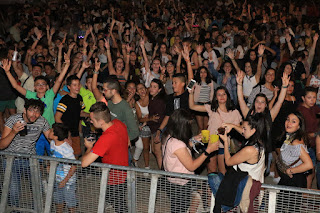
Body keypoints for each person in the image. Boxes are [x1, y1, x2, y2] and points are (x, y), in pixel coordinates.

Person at [161, 109, 219, 213]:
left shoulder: (169, 136)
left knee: (179, 207)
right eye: (189, 124)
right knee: (180, 209)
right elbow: (192, 166)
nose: (190, 126)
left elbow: (182, 148)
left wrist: (194, 140)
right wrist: (208, 151)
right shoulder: (178, 144)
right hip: (179, 184)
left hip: (173, 181)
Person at [210, 113, 268, 212]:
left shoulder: (250, 149)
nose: (242, 130)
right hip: (250, 182)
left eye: (244, 128)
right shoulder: (259, 140)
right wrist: (232, 126)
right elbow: (243, 131)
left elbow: (228, 162)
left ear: (253, 130)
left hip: (247, 187)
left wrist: (225, 142)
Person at [0, 99, 50, 207]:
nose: (34, 114)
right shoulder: (13, 120)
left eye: (38, 111)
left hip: (31, 159)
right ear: (24, 110)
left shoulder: (42, 121)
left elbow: (51, 138)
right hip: (11, 160)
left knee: (38, 189)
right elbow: (2, 145)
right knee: (13, 192)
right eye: (31, 110)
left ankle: (35, 209)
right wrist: (14, 131)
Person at [81, 102, 129, 213]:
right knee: (118, 201)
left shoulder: (105, 138)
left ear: (101, 121)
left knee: (120, 206)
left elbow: (84, 163)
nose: (90, 121)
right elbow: (127, 143)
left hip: (115, 178)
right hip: (124, 172)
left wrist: (89, 147)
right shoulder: (119, 123)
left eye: (92, 120)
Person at [189, 86, 242, 174]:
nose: (221, 96)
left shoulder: (234, 112)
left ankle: (222, 187)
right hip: (210, 143)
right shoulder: (211, 108)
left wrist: (232, 126)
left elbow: (240, 129)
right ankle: (210, 188)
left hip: (224, 145)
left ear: (227, 96)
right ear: (215, 97)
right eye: (219, 94)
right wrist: (191, 94)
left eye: (224, 94)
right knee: (212, 171)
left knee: (223, 171)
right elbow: (192, 106)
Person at [55, 75, 88, 159]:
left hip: (75, 132)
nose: (77, 87)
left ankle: (72, 172)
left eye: (78, 84)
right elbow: (57, 118)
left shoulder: (79, 98)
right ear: (69, 87)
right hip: (65, 134)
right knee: (65, 156)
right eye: (74, 85)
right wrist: (65, 133)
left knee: (76, 155)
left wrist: (90, 115)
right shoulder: (65, 100)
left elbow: (80, 113)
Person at [277, 112, 313, 188]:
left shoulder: (296, 142)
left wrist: (289, 171)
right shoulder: (291, 137)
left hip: (293, 181)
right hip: (288, 179)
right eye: (288, 120)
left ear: (298, 126)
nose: (289, 123)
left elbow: (309, 165)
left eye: (293, 121)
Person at [49, 123, 77, 213]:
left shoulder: (67, 149)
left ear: (56, 136)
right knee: (58, 200)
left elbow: (74, 165)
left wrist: (65, 181)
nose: (49, 131)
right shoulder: (52, 143)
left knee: (70, 202)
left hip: (68, 181)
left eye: (51, 131)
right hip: (57, 178)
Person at [297, 87, 320, 188]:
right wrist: (316, 134)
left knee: (312, 172)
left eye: (314, 97)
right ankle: (305, 196)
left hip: (314, 145)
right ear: (303, 98)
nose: (312, 100)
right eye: (309, 97)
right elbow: (300, 133)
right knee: (309, 173)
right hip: (306, 146)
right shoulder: (301, 111)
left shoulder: (314, 108)